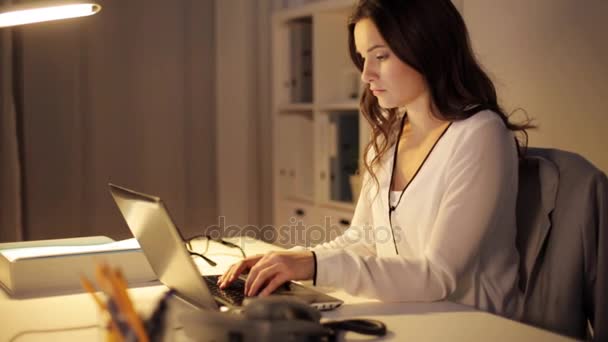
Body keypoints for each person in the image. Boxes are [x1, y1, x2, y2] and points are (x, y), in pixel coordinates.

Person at [218, 0, 532, 318]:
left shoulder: (480, 135)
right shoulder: (390, 132)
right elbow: (363, 239)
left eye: (380, 56)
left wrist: (313, 266)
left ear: (427, 48)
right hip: (406, 314)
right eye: (363, 57)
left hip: (470, 325)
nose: (366, 74)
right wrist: (289, 260)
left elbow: (438, 276)